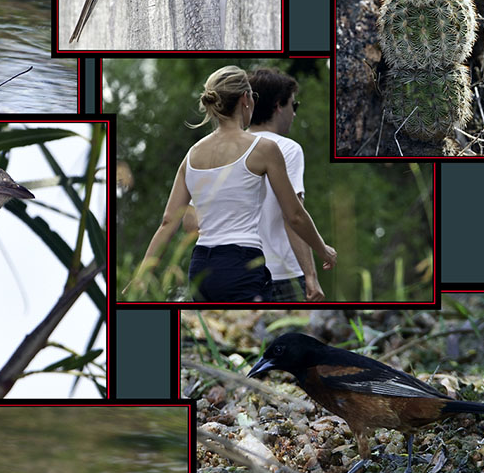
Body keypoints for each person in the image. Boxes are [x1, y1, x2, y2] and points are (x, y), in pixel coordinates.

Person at [126, 66, 336, 301]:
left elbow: (168, 222)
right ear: (246, 99)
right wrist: (322, 249)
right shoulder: (264, 149)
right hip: (240, 263)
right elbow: (295, 215)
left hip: (200, 266)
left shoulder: (192, 155)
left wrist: (142, 276)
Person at [248, 68, 323, 302]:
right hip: (284, 275)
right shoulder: (288, 149)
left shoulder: (228, 147)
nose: (294, 114)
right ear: (278, 105)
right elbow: (294, 217)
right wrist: (310, 275)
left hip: (239, 273)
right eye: (294, 105)